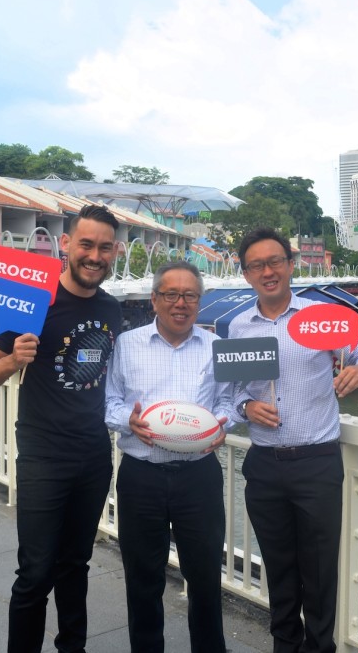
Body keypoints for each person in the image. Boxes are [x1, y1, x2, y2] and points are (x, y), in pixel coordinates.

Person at [0, 204, 122, 653]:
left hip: (93, 456)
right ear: (67, 244)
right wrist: (14, 359)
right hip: (43, 457)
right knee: (35, 571)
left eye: (104, 247)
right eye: (87, 244)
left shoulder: (112, 310)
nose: (95, 256)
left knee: (76, 564)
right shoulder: (36, 303)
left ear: (115, 252)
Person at [229, 228, 358, 653]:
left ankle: (320, 647)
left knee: (319, 572)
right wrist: (246, 408)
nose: (267, 271)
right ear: (245, 274)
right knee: (278, 569)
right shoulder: (238, 326)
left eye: (275, 261)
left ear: (291, 265)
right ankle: (284, 645)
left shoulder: (319, 316)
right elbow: (229, 392)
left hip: (316, 461)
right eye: (256, 265)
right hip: (263, 464)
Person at [104, 261, 234, 653]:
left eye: (190, 295)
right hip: (141, 475)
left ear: (200, 300)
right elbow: (107, 402)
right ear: (154, 300)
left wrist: (222, 424)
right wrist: (129, 420)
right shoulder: (127, 344)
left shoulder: (217, 347)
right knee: (143, 579)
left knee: (207, 578)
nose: (181, 303)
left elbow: (228, 401)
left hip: (199, 477)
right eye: (171, 294)